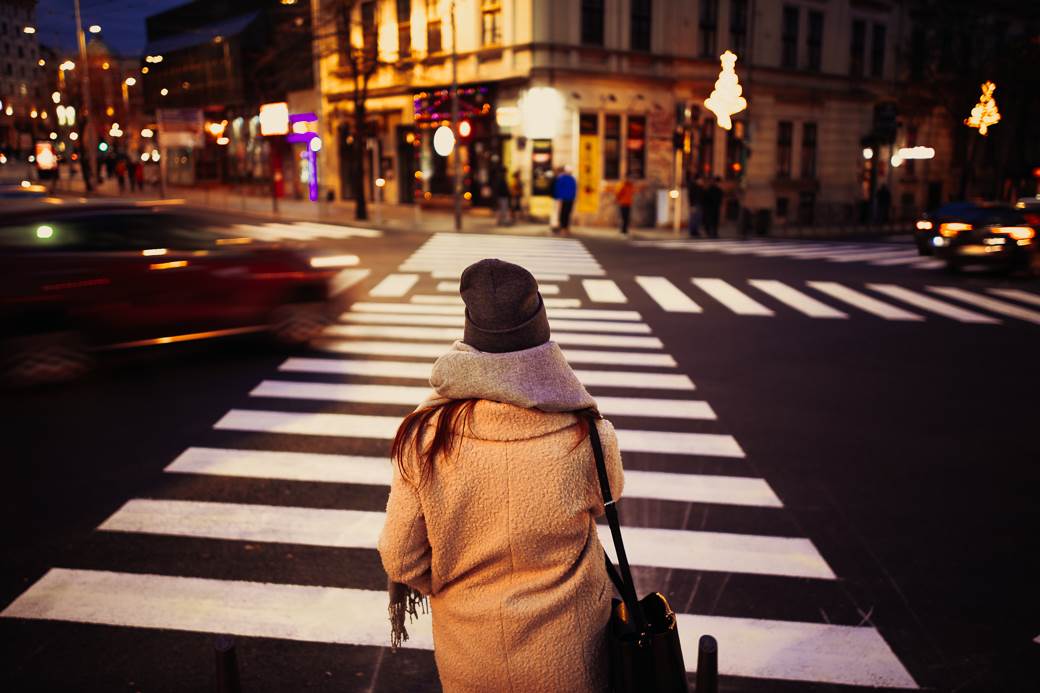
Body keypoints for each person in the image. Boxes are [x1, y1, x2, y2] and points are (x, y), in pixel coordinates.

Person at [379, 258, 624, 693]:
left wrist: (458, 588)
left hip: (470, 652)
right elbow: (610, 495)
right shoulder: (588, 434)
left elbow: (400, 557)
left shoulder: (424, 438)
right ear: (542, 341)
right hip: (569, 652)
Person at [552, 166, 577, 234]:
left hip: (565, 199)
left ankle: (564, 228)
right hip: (567, 199)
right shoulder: (569, 178)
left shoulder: (564, 178)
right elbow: (573, 189)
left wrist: (557, 198)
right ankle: (564, 228)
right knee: (565, 214)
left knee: (564, 213)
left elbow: (558, 188)